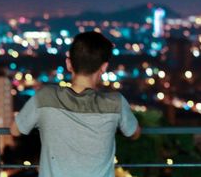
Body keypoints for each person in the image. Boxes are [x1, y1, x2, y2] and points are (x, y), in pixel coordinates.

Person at [10, 31, 141, 177]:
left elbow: (16, 130)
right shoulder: (116, 103)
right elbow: (133, 133)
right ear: (104, 67)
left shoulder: (45, 97)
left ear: (69, 63)